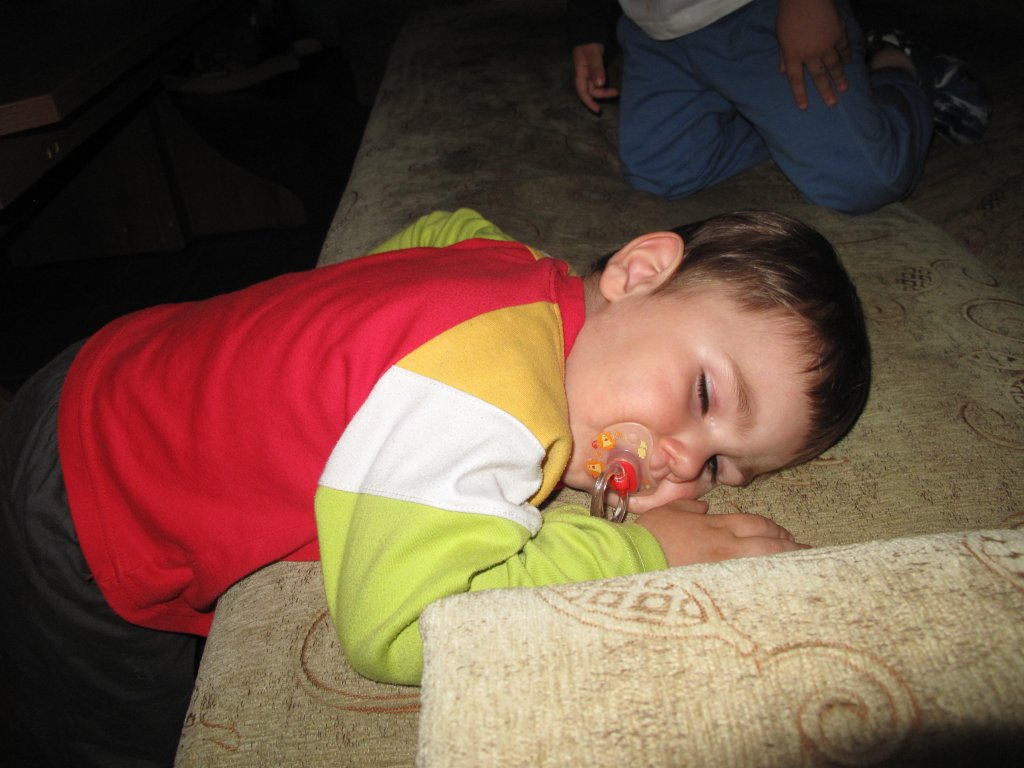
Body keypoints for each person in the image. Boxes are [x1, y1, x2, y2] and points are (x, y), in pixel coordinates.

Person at [0, 207, 870, 766]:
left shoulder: (515, 266)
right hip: (91, 501)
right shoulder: (492, 404)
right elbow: (402, 625)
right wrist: (639, 547)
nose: (680, 459)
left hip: (114, 358)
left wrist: (354, 366)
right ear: (639, 271)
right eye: (705, 395)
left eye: (717, 466)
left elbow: (435, 229)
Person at [568, 0, 992, 214]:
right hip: (654, 26)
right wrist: (588, 27)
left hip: (763, 12)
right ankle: (782, 121)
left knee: (864, 181)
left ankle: (896, 64)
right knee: (661, 171)